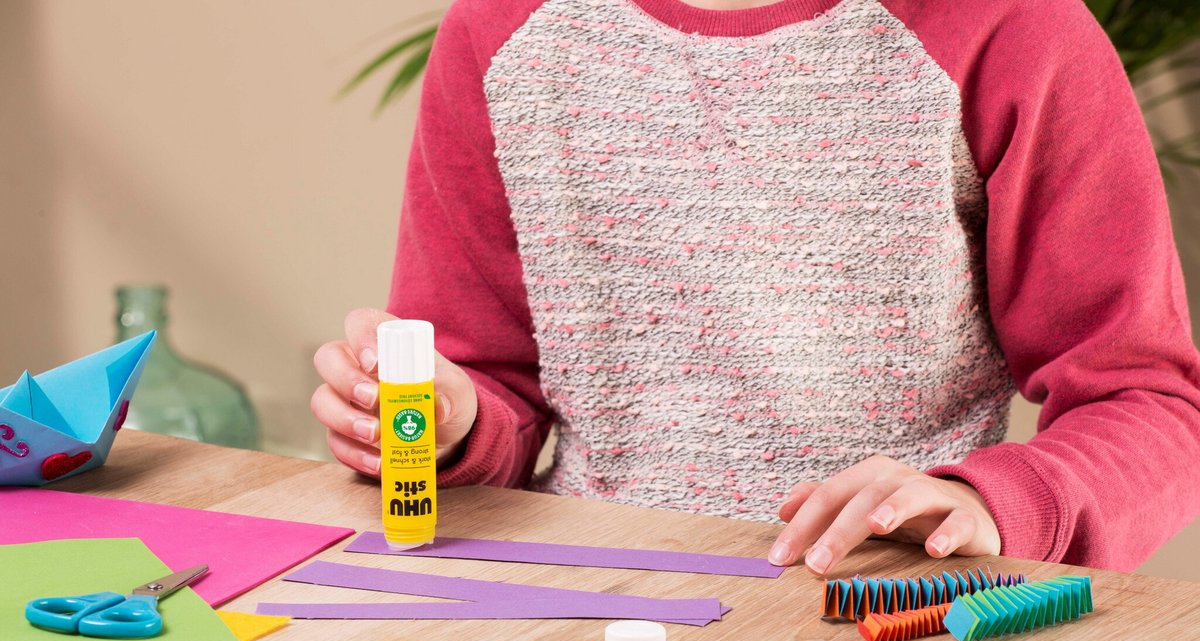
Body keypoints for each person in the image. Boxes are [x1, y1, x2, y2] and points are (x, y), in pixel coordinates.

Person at [312, 0, 1200, 575]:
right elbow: (491, 392)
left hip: (880, 616)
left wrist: (985, 503)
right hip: (577, 603)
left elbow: (1151, 403)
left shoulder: (1016, 27)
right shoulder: (501, 31)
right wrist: (447, 421)